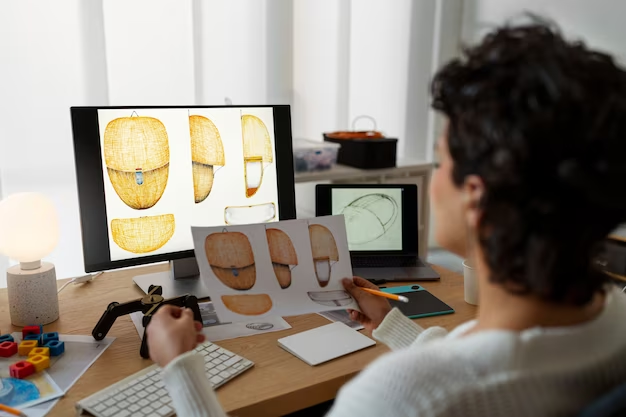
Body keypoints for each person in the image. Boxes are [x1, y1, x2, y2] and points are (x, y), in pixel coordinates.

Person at [147, 18, 626, 417]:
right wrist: (395, 328)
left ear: (476, 200)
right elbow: (475, 363)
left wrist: (181, 368)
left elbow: (445, 385)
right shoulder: (614, 320)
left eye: (441, 161)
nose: (434, 179)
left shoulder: (398, 398)